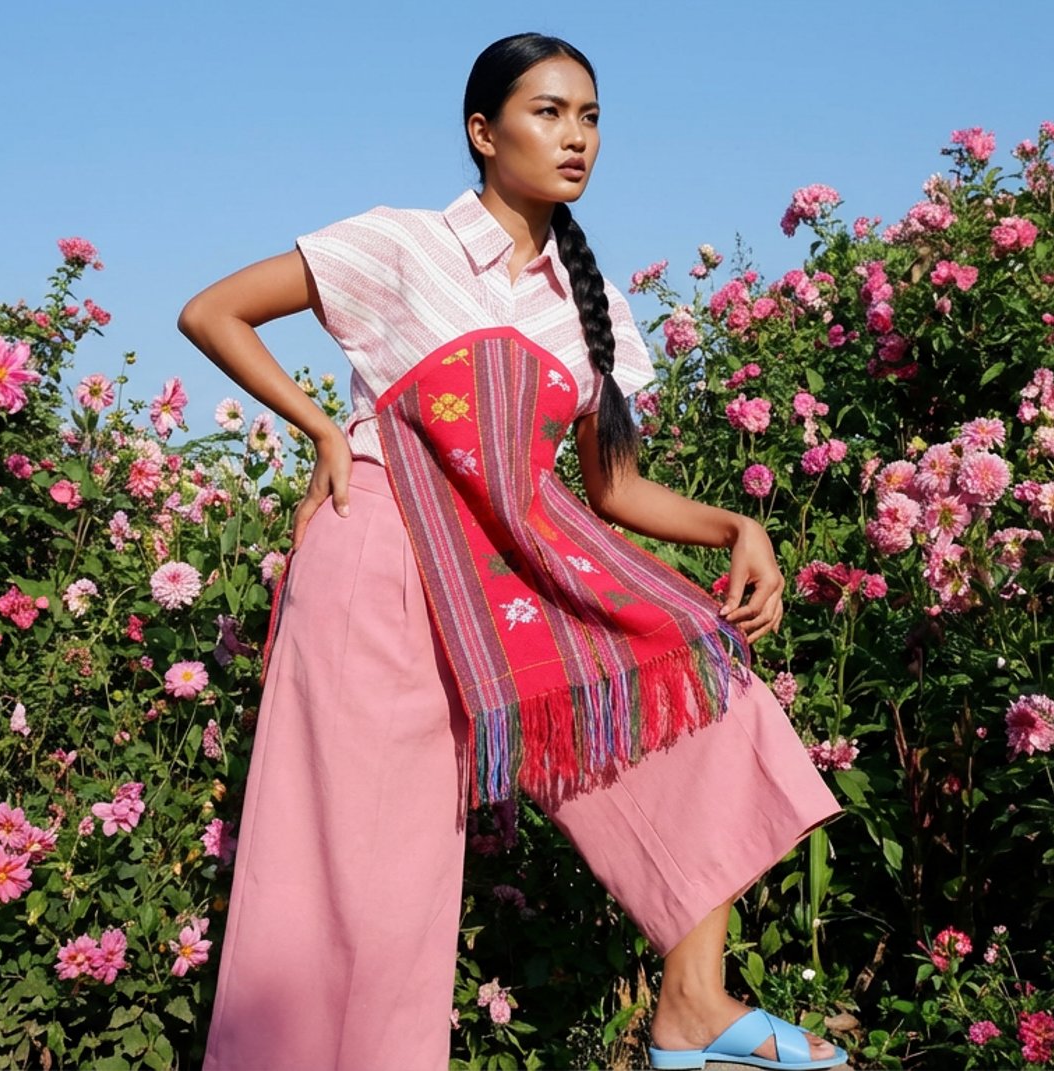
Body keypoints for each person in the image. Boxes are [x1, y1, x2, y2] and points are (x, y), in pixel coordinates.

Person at [178, 31, 846, 1071]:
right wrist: (318, 428)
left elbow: (612, 489)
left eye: (589, 117)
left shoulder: (594, 309)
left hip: (512, 582)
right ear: (483, 134)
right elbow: (213, 311)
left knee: (707, 690)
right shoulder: (401, 245)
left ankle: (692, 1003)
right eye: (549, 112)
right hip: (379, 569)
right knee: (361, 878)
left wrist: (737, 525)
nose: (575, 136)